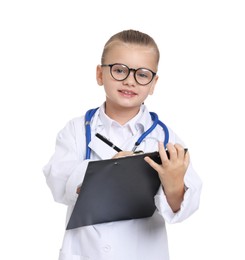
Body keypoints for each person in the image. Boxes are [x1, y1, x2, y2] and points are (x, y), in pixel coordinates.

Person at [43, 29, 202, 260]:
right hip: (86, 252)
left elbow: (182, 209)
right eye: (119, 70)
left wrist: (174, 184)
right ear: (100, 74)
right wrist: (107, 171)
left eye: (143, 74)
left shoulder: (166, 139)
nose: (130, 80)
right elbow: (58, 182)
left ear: (154, 83)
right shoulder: (76, 130)